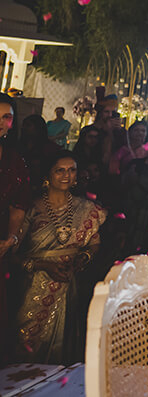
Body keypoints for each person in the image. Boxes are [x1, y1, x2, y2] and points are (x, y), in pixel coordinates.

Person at [14, 152, 106, 363]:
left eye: (72, 170)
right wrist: (43, 264)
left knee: (64, 346)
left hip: (68, 283)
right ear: (48, 174)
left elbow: (95, 243)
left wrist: (82, 258)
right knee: (27, 349)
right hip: (33, 286)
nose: (66, 175)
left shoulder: (87, 208)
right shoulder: (31, 208)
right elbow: (12, 254)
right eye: (60, 170)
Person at [0, 94, 32, 352]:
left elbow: (18, 207)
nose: (0, 122)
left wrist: (11, 239)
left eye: (6, 117)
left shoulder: (14, 160)